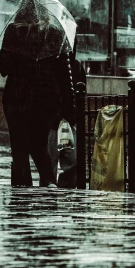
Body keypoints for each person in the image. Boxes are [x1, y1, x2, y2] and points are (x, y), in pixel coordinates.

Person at [0, 0, 75, 188]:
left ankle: (23, 187)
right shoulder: (55, 33)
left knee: (20, 146)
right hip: (46, 99)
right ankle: (48, 181)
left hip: (18, 97)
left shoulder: (14, 32)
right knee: (39, 144)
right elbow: (65, 73)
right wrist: (69, 105)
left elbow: (4, 68)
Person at [48, 51, 86, 188]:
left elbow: (81, 95)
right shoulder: (49, 64)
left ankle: (64, 189)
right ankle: (50, 194)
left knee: (72, 161)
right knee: (50, 164)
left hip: (68, 122)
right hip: (52, 122)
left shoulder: (76, 66)